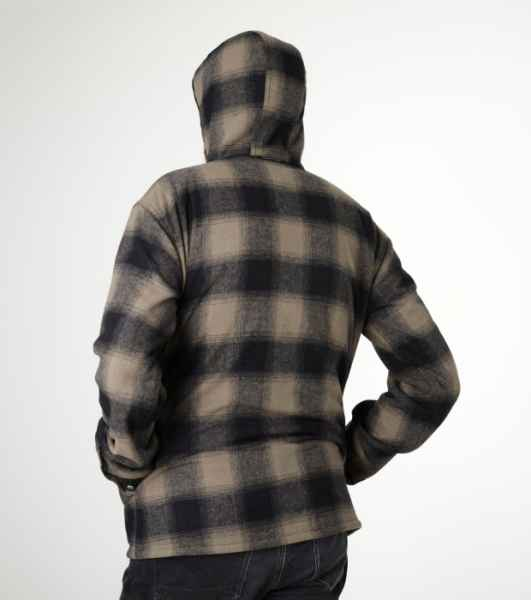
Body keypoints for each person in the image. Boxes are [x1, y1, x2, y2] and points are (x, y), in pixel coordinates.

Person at [93, 29, 461, 600]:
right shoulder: (355, 225)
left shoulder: (175, 203)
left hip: (191, 533)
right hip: (313, 535)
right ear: (296, 106)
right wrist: (343, 459)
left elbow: (126, 371)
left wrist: (128, 463)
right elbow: (433, 380)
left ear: (212, 106)